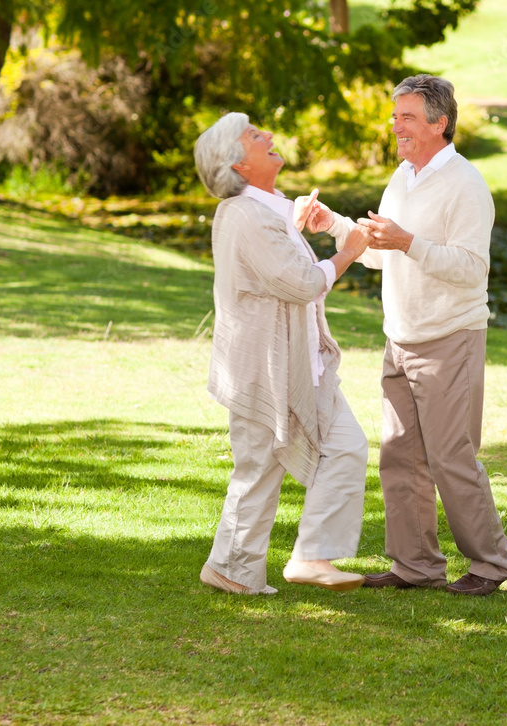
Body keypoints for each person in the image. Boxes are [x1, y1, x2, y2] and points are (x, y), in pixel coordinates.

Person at [322, 74, 507, 595]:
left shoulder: (466, 185)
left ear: (440, 122)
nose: (396, 126)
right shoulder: (403, 178)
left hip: (449, 336)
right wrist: (336, 225)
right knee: (400, 456)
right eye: (395, 116)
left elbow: (472, 268)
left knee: (452, 455)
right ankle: (416, 567)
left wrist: (409, 242)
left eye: (407, 117)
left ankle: (491, 564)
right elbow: (384, 256)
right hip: (400, 337)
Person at [193, 112, 372, 595]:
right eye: (255, 136)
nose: (268, 136)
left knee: (343, 448)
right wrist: (348, 250)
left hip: (298, 365)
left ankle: (306, 557)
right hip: (263, 369)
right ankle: (235, 568)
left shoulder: (266, 208)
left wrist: (296, 228)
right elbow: (301, 282)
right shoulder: (246, 215)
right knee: (260, 469)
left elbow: (282, 268)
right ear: (239, 166)